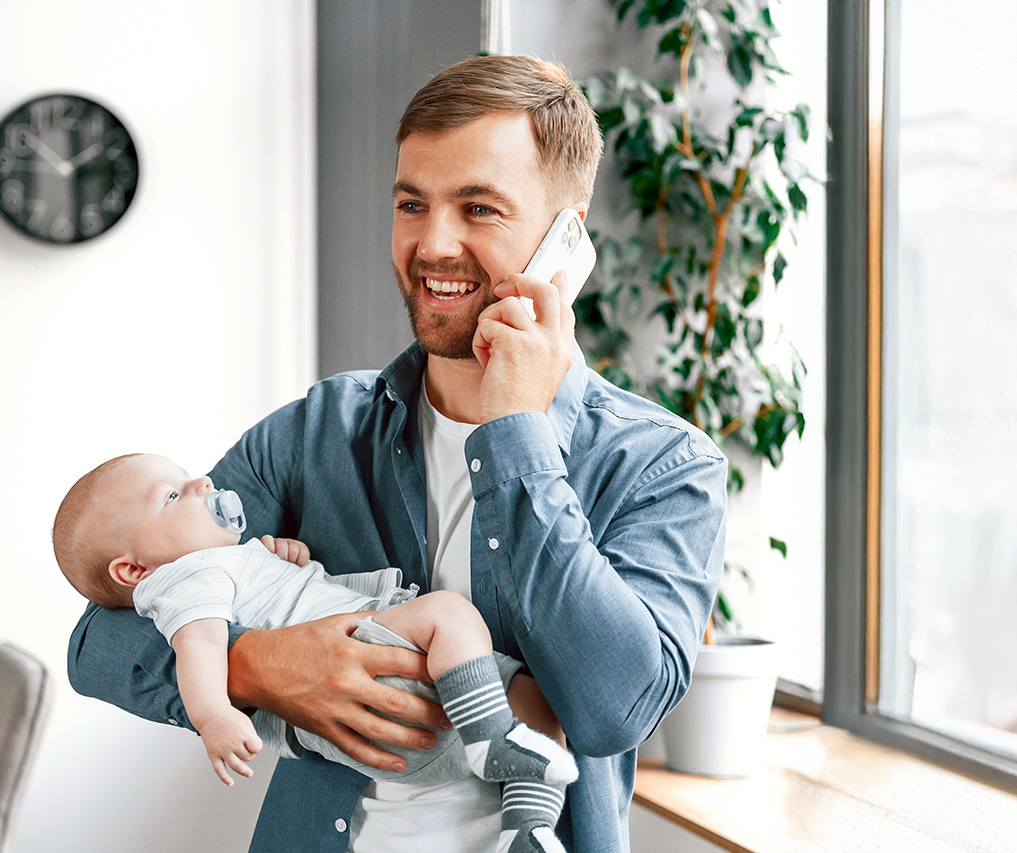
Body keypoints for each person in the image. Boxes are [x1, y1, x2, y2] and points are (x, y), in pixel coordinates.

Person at [67, 54, 727, 853]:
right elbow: (98, 643)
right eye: (412, 203)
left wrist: (516, 426)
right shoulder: (317, 432)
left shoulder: (664, 466)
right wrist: (259, 666)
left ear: (565, 239)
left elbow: (613, 708)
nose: (432, 242)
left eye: (479, 208)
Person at [54, 452, 577, 853]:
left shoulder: (222, 565)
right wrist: (213, 715)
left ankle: (527, 830)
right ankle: (489, 743)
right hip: (371, 687)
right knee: (450, 614)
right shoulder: (187, 579)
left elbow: (265, 599)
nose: (203, 483)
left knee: (538, 705)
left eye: (188, 476)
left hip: (401, 731)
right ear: (134, 570)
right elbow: (201, 644)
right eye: (172, 497)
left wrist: (280, 562)